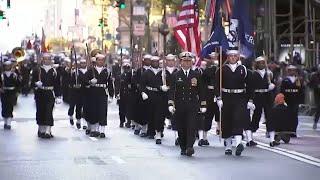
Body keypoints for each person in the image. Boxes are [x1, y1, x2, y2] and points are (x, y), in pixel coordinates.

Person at [215, 49, 255, 156]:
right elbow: (217, 85)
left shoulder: (243, 69)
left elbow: (250, 86)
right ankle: (228, 146)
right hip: (226, 96)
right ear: (227, 58)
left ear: (238, 57)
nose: (233, 58)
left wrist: (250, 100)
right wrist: (218, 98)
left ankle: (238, 144)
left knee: (238, 119)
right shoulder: (222, 69)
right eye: (230, 56)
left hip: (239, 97)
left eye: (235, 56)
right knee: (227, 120)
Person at [168, 51, 206, 156]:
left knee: (191, 127)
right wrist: (171, 104)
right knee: (181, 128)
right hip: (180, 106)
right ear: (181, 62)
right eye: (185, 61)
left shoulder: (196, 75)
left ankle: (190, 146)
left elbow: (201, 91)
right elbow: (172, 91)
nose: (187, 63)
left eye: (189, 61)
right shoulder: (176, 75)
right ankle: (183, 146)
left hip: (192, 106)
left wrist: (203, 105)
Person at [31, 53, 62, 139]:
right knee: (40, 111)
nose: (47, 60)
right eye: (45, 59)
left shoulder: (54, 71)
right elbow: (31, 83)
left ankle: (48, 130)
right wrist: (36, 84)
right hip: (40, 93)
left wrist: (58, 96)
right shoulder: (37, 70)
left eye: (48, 59)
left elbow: (58, 84)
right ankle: (41, 129)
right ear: (42, 60)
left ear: (51, 60)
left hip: (49, 93)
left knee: (49, 111)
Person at [140, 56, 170, 144]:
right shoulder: (147, 72)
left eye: (157, 62)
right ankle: (151, 131)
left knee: (159, 115)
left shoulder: (163, 72)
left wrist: (166, 87)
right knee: (150, 114)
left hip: (160, 95)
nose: (155, 63)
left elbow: (170, 82)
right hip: (150, 95)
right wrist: (143, 93)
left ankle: (159, 132)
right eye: (154, 62)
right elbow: (142, 84)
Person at [248, 56, 275, 146]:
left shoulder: (269, 74)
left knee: (270, 117)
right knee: (256, 116)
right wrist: (250, 100)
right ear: (257, 64)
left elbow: (273, 84)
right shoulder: (253, 74)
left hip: (267, 97)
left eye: (263, 63)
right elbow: (251, 87)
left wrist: (272, 86)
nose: (262, 64)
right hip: (257, 97)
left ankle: (272, 139)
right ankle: (250, 138)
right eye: (260, 63)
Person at [85, 53, 114, 138]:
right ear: (96, 61)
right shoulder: (91, 70)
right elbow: (83, 79)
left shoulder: (107, 71)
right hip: (93, 92)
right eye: (99, 60)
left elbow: (110, 84)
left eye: (102, 60)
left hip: (102, 93)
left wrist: (111, 95)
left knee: (102, 111)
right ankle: (94, 129)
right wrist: (90, 81)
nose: (100, 62)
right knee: (94, 111)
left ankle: (102, 130)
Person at [198, 52, 220, 146]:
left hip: (219, 95)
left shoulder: (222, 70)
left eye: (215, 58)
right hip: (209, 95)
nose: (214, 60)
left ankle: (220, 130)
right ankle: (204, 137)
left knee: (220, 114)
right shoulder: (207, 71)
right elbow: (203, 83)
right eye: (212, 58)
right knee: (207, 116)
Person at [280, 65, 304, 137]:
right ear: (288, 71)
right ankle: (288, 130)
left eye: (293, 70)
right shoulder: (285, 80)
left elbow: (301, 91)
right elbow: (282, 90)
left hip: (295, 100)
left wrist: (301, 101)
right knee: (287, 116)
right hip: (287, 99)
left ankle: (293, 131)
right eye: (290, 70)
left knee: (294, 116)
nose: (292, 72)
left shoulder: (298, 80)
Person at [0, 58, 21, 130]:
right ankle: (5, 121)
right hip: (4, 93)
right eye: (6, 66)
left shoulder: (14, 75)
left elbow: (18, 84)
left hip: (11, 93)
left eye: (9, 66)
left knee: (10, 107)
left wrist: (17, 91)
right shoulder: (2, 75)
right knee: (4, 106)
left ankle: (9, 122)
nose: (7, 67)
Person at [68, 57, 87, 129]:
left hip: (83, 92)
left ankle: (82, 122)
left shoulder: (88, 72)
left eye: (84, 63)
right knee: (73, 106)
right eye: (81, 63)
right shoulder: (75, 72)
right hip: (74, 93)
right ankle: (73, 118)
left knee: (82, 108)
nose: (83, 64)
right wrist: (74, 85)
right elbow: (70, 83)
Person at [309, 65, 320, 130]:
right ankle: (315, 122)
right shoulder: (314, 76)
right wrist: (316, 87)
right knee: (319, 108)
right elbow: (311, 84)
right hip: (317, 94)